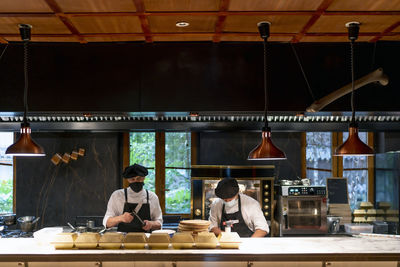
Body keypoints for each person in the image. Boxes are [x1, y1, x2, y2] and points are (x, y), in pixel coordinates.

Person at [103, 163, 162, 232]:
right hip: (124, 240)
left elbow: (159, 223)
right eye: (132, 179)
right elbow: (107, 223)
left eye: (139, 178)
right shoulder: (117, 195)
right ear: (128, 179)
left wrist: (151, 224)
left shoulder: (152, 197)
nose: (136, 181)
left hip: (146, 240)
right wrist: (121, 218)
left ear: (143, 178)